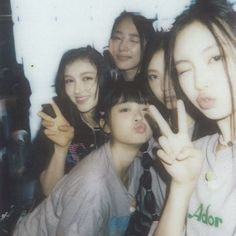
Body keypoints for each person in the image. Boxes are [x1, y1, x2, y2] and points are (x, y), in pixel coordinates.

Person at [13, 80, 166, 236]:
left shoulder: (136, 163)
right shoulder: (93, 186)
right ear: (105, 124)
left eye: (145, 109)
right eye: (125, 109)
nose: (139, 116)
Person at [150, 0, 236, 235]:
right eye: (185, 69)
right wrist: (181, 185)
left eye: (215, 58)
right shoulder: (194, 153)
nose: (199, 82)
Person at [29, 46, 107, 196]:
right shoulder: (56, 120)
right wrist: (61, 147)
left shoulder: (118, 117)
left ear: (102, 79)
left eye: (87, 78)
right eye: (70, 81)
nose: (77, 90)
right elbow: (49, 191)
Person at [143, 31, 217, 140]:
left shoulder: (215, 132)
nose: (165, 87)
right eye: (154, 77)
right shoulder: (150, 128)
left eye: (172, 74)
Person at [107, 11, 155, 82]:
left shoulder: (154, 86)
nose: (122, 47)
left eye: (133, 40)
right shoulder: (108, 86)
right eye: (117, 38)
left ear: (148, 46)